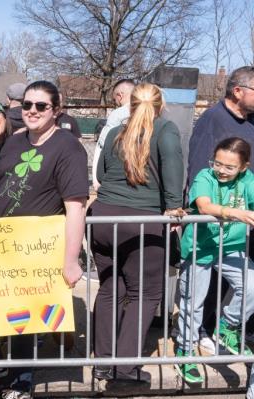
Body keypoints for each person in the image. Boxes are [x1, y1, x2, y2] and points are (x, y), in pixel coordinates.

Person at [0, 80, 88, 399]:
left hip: (32, 251)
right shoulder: (15, 141)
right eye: (27, 105)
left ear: (56, 110)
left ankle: (19, 383)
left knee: (23, 318)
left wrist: (70, 259)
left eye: (41, 106)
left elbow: (76, 206)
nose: (32, 111)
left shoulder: (67, 147)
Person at [91, 83, 184, 383]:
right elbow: (172, 167)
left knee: (109, 289)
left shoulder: (117, 130)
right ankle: (126, 369)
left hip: (103, 218)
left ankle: (103, 363)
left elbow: (103, 175)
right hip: (141, 221)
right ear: (161, 104)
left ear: (129, 104)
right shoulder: (166, 128)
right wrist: (173, 207)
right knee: (144, 294)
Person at [175, 137, 254, 384]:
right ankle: (185, 353)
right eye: (217, 163)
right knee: (193, 304)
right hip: (200, 249)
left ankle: (228, 327)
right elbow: (204, 205)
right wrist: (235, 213)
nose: (221, 170)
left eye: (229, 167)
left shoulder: (248, 180)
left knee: (251, 286)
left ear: (243, 167)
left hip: (232, 248)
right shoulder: (205, 177)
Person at [186, 66, 254, 349]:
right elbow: (199, 169)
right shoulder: (211, 121)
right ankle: (201, 331)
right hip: (216, 219)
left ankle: (229, 327)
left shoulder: (251, 122)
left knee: (242, 281)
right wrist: (210, 208)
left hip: (243, 216)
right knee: (206, 284)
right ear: (238, 91)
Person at [92, 79, 135, 190]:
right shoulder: (149, 112)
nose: (115, 102)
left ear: (120, 95)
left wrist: (96, 179)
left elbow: (102, 145)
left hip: (118, 173)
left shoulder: (118, 114)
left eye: (114, 99)